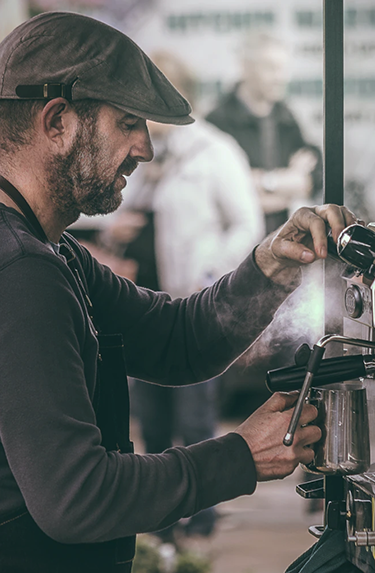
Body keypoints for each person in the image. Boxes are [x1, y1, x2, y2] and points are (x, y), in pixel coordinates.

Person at [0, 11, 356, 573]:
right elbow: (77, 498)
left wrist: (271, 265)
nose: (145, 147)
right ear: (57, 121)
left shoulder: (55, 255)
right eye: (127, 123)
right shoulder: (20, 271)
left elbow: (176, 340)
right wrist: (239, 456)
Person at [102, 50, 264, 540]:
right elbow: (115, 210)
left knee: (195, 420)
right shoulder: (143, 158)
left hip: (188, 307)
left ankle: (205, 517)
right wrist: (115, 228)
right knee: (148, 424)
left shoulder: (216, 151)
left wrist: (210, 273)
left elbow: (248, 223)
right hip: (140, 309)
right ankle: (164, 522)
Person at [206, 32, 323, 235]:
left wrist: (262, 183)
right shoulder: (217, 121)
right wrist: (286, 183)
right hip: (233, 249)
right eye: (270, 68)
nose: (281, 77)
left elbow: (313, 179)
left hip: (282, 241)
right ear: (246, 67)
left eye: (283, 69)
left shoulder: (286, 118)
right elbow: (219, 194)